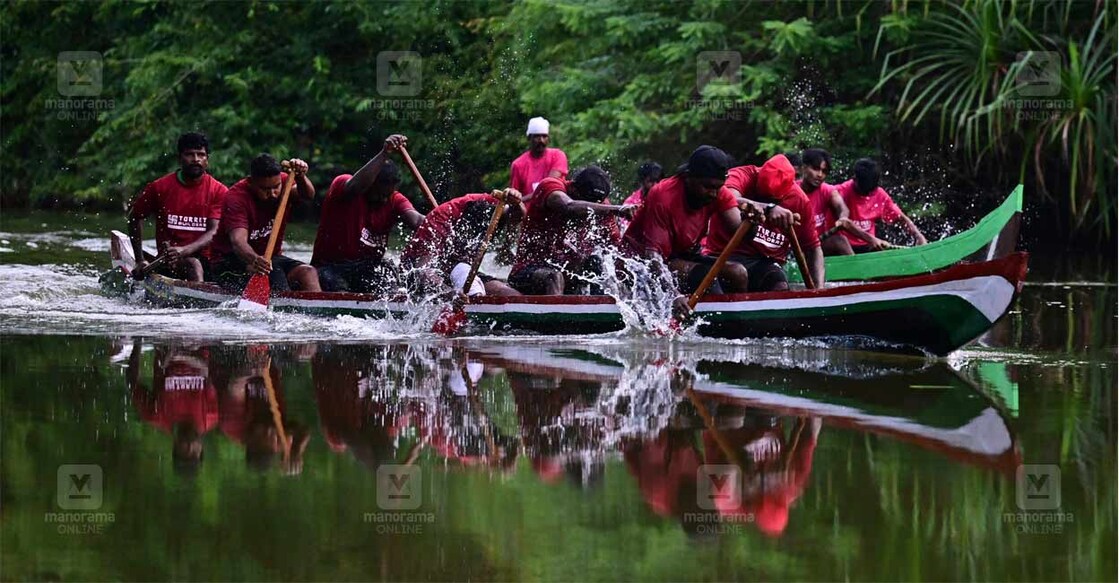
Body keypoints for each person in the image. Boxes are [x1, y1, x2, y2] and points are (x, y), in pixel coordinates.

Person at [623, 145, 754, 313]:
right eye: (707, 187)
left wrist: (752, 221)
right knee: (706, 276)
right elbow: (653, 257)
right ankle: (720, 320)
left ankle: (738, 317)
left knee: (738, 273)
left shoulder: (718, 191)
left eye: (718, 188)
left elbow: (740, 232)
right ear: (688, 178)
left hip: (681, 255)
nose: (713, 194)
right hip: (642, 262)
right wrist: (674, 295)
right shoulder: (662, 195)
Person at [311, 134, 425, 293]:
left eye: (388, 195)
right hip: (331, 267)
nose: (384, 200)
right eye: (379, 194)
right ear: (369, 184)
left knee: (391, 284)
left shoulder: (394, 199)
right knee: (337, 288)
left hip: (368, 268)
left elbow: (418, 221)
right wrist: (384, 152)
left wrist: (446, 225)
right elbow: (354, 187)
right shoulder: (344, 186)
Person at [702, 154, 825, 291]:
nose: (765, 201)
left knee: (779, 285)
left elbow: (813, 248)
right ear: (759, 174)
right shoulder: (741, 175)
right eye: (762, 196)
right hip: (724, 256)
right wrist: (768, 208)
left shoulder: (800, 201)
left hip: (764, 262)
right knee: (737, 275)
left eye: (771, 200)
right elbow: (727, 197)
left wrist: (818, 290)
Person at [509, 166, 637, 295]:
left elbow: (617, 249)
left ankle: (597, 309)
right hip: (527, 272)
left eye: (594, 205)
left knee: (596, 263)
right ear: (573, 189)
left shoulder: (603, 208)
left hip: (569, 276)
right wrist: (617, 209)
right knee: (554, 277)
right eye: (586, 204)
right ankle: (557, 314)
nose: (588, 214)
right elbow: (568, 206)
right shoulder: (551, 186)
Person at [210, 154, 321, 294]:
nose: (273, 194)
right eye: (265, 189)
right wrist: (255, 260)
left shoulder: (286, 182)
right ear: (251, 183)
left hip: (270, 260)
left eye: (276, 187)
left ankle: (316, 310)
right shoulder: (236, 197)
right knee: (276, 275)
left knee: (308, 272)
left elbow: (307, 195)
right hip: (231, 262)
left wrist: (300, 176)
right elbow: (238, 242)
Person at [128, 132, 228, 281]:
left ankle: (199, 296)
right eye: (190, 154)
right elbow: (134, 218)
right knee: (193, 264)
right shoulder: (159, 188)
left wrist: (184, 250)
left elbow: (215, 231)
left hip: (207, 262)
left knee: (198, 263)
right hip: (167, 261)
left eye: (201, 155)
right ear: (179, 158)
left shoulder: (219, 191)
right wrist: (139, 260)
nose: (196, 160)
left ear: (207, 160)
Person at [400, 189, 526, 297]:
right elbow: (423, 272)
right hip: (422, 275)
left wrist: (516, 201)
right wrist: (452, 295)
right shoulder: (439, 221)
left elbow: (519, 215)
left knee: (509, 294)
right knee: (467, 289)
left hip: (461, 270)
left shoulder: (494, 207)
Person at [127, 340, 219, 476]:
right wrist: (180, 356)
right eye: (193, 452)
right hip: (200, 340)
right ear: (201, 448)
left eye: (184, 452)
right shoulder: (210, 416)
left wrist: (138, 342)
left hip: (167, 340)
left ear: (175, 447)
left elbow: (132, 382)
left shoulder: (155, 415)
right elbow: (209, 370)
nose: (189, 446)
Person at [835, 158, 928, 252]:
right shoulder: (839, 193)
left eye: (871, 191)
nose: (867, 194)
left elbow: (900, 218)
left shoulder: (879, 194)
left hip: (869, 246)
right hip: (844, 248)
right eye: (864, 190)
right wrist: (871, 239)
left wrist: (918, 236)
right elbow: (844, 223)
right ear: (854, 179)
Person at [798, 148, 875, 256]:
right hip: (796, 247)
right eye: (816, 169)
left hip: (817, 244)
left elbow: (841, 206)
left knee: (840, 241)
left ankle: (857, 271)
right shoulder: (792, 190)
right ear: (804, 168)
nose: (820, 175)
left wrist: (843, 217)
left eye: (824, 171)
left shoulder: (827, 190)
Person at [509, 116, 569, 202]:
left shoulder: (558, 156)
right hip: (529, 213)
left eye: (544, 136)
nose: (541, 140)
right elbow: (514, 195)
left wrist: (521, 199)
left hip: (555, 209)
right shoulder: (518, 164)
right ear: (529, 138)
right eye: (537, 137)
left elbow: (548, 187)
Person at [620, 162, 662, 232]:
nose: (655, 185)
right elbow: (625, 229)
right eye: (651, 181)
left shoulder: (664, 197)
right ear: (642, 181)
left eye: (657, 181)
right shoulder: (631, 202)